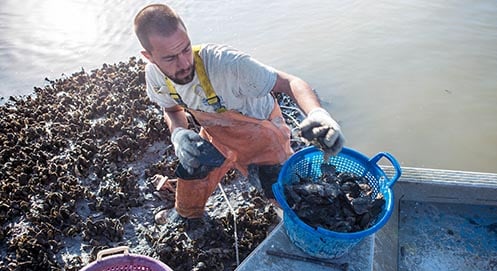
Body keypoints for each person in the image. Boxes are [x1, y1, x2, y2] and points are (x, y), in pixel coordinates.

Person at [134, 3, 344, 223]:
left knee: (287, 197)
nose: (185, 63)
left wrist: (318, 113)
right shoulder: (156, 77)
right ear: (149, 56)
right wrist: (178, 134)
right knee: (191, 177)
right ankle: (187, 217)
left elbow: (290, 82)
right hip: (216, 135)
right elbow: (171, 109)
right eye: (170, 58)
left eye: (186, 49)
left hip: (262, 137)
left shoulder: (228, 64)